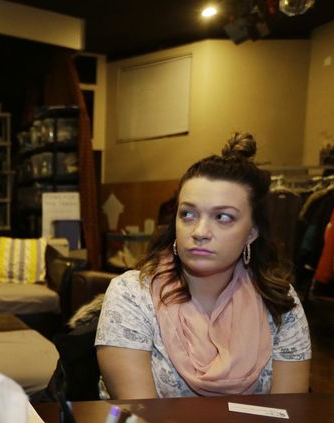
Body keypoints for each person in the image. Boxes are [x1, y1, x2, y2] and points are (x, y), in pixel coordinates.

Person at [95, 133, 311, 399]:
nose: (200, 231)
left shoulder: (280, 302)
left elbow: (287, 417)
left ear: (252, 232)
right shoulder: (133, 294)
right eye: (188, 214)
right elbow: (141, 419)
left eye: (223, 217)